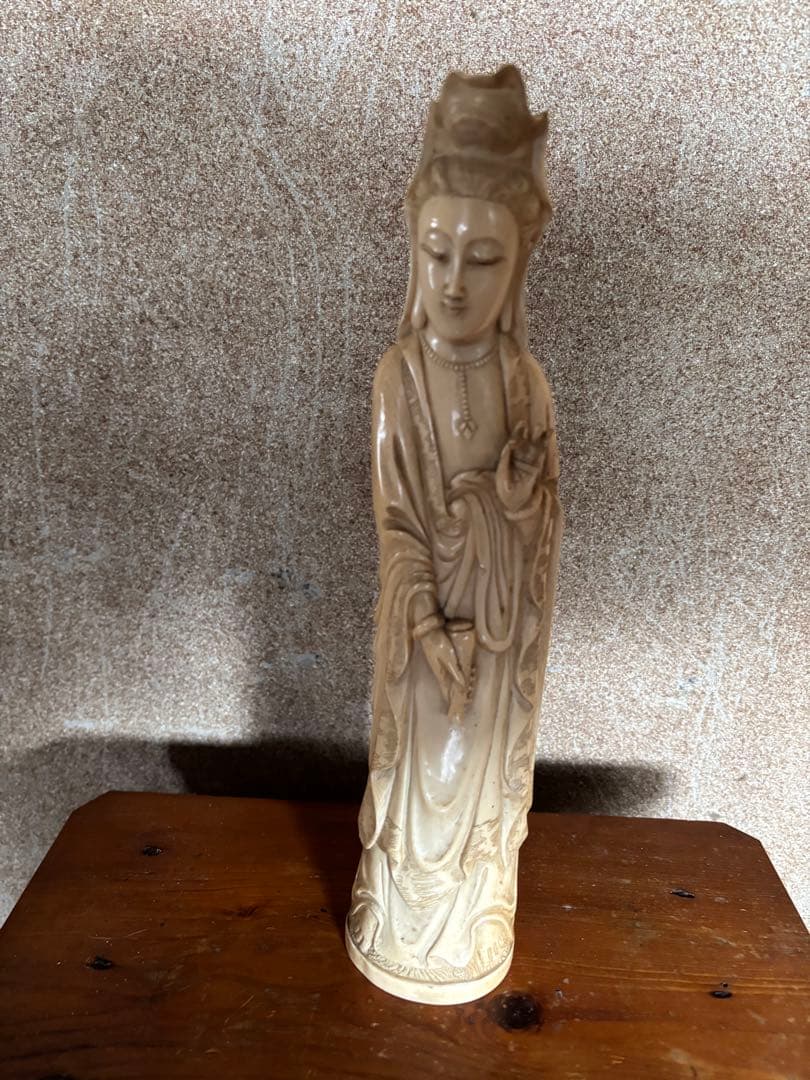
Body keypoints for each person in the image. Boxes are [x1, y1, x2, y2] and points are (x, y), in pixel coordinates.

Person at [346, 64, 564, 1004]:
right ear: (414, 248)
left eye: (483, 259)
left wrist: (511, 505)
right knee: (415, 779)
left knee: (477, 776)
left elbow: (543, 525)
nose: (454, 281)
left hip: (500, 644)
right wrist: (430, 631)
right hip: (422, 641)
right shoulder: (398, 375)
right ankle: (395, 917)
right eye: (437, 252)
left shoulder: (526, 384)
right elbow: (396, 521)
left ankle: (476, 915)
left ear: (518, 265)